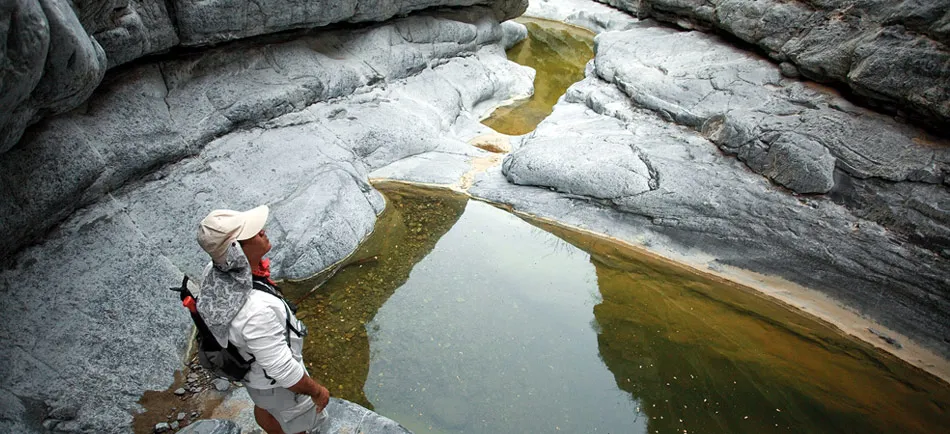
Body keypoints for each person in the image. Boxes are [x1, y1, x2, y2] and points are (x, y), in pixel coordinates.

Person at [196, 205, 330, 434]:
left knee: (264, 407)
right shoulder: (257, 311)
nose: (262, 231)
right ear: (236, 251)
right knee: (299, 425)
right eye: (252, 232)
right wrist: (317, 392)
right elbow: (284, 372)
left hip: (254, 378)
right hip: (275, 386)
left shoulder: (215, 270)